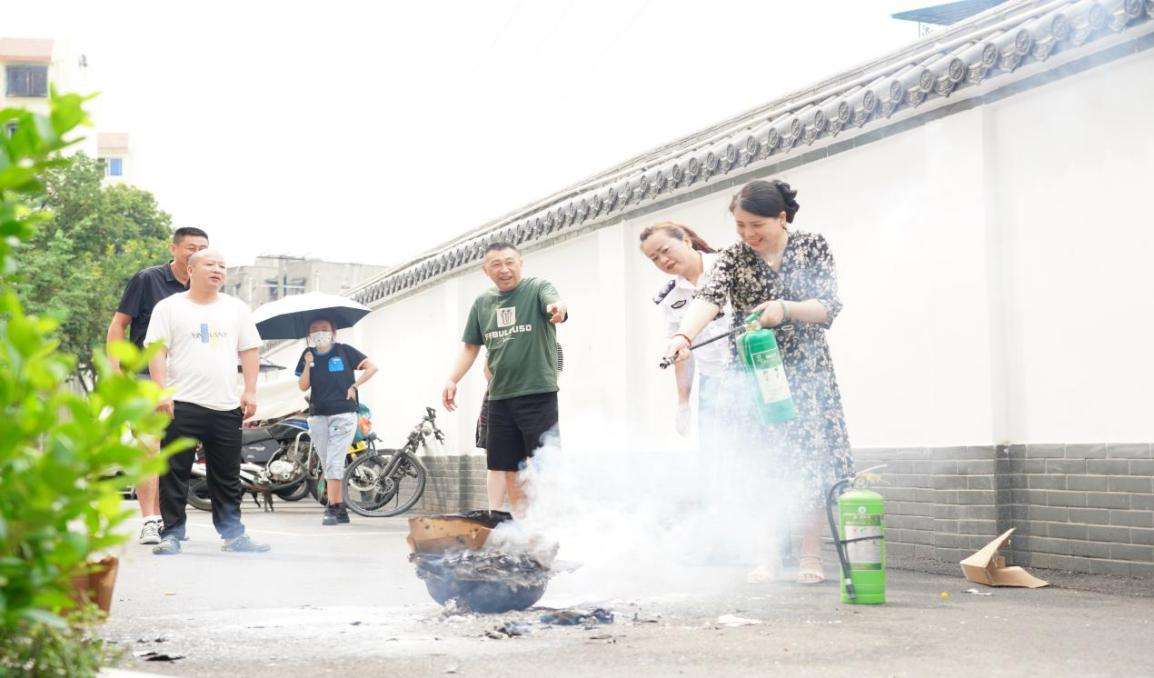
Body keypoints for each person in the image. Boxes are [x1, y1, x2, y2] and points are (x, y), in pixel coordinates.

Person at [663, 179, 852, 585]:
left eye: (756, 225)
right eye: (740, 225)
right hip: (753, 370)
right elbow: (708, 298)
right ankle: (767, 556)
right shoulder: (733, 258)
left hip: (806, 371)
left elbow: (828, 305)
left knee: (810, 463)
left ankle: (810, 555)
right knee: (759, 463)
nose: (747, 234)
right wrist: (684, 336)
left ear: (781, 218)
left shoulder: (812, 246)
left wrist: (786, 308)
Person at [145, 248, 270, 555]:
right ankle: (172, 534)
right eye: (210, 264)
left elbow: (249, 350)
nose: (217, 270)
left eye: (222, 266)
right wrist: (161, 392)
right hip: (181, 403)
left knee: (227, 475)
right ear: (190, 270)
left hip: (225, 405)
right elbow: (156, 351)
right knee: (174, 472)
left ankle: (233, 536)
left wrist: (250, 391)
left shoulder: (236, 308)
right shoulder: (169, 308)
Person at [443, 242, 567, 516]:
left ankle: (554, 521)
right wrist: (452, 380)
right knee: (506, 466)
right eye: (496, 264)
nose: (504, 269)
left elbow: (555, 302)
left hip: (537, 393)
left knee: (546, 463)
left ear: (520, 263)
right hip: (499, 396)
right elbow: (470, 347)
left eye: (510, 262)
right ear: (486, 270)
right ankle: (517, 523)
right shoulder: (482, 303)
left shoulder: (537, 288)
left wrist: (558, 309)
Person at [106, 226, 210, 545]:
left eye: (203, 249)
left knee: (176, 452)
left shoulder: (205, 289)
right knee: (149, 447)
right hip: (144, 377)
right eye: (191, 247)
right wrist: (116, 372)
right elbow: (118, 325)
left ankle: (170, 520)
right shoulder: (147, 280)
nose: (197, 253)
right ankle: (150, 521)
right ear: (174, 249)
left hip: (185, 381)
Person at [639, 222, 732, 437]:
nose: (663, 260)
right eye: (654, 258)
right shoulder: (670, 298)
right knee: (715, 448)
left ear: (686, 241)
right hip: (713, 380)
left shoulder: (728, 265)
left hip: (753, 368)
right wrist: (683, 403)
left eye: (665, 250)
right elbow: (681, 353)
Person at [295, 318, 378, 525]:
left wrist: (355, 386)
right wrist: (307, 364)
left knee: (334, 460)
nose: (319, 332)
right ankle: (340, 508)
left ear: (333, 332)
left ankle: (331, 507)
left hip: (343, 413)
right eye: (314, 329)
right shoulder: (308, 354)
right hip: (317, 415)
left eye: (324, 328)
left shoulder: (344, 351)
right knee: (327, 462)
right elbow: (303, 386)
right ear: (309, 334)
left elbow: (372, 367)